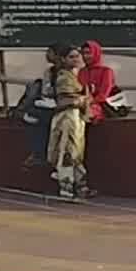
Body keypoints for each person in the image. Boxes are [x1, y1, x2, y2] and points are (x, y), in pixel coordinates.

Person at [48, 45, 89, 200]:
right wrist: (84, 99)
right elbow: (65, 100)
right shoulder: (64, 76)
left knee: (76, 152)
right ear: (64, 59)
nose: (76, 59)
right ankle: (66, 190)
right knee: (68, 151)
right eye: (71, 56)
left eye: (77, 56)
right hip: (67, 117)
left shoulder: (74, 75)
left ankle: (79, 187)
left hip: (75, 117)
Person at [16, 43, 63, 167]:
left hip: (63, 103)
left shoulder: (68, 71)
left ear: (57, 55)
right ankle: (39, 154)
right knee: (37, 116)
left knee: (41, 118)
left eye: (50, 52)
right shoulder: (49, 71)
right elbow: (46, 91)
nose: (46, 55)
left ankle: (40, 154)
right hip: (49, 102)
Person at [78, 40, 118, 122]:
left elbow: (103, 95)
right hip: (84, 104)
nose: (85, 56)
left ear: (96, 53)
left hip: (103, 106)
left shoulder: (106, 71)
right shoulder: (82, 71)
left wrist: (88, 102)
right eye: (83, 53)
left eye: (89, 53)